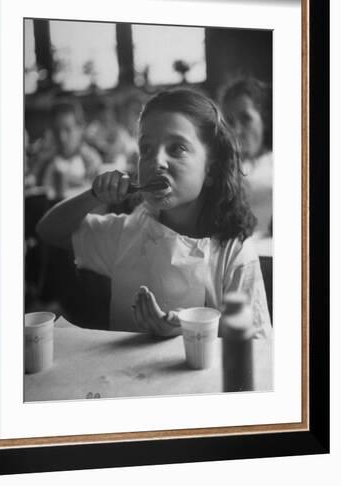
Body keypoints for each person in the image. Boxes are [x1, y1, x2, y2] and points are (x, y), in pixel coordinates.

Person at [37, 89, 272, 338]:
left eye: (177, 148)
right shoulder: (125, 234)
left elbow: (255, 346)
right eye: (146, 149)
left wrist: (193, 328)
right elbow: (48, 231)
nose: (156, 161)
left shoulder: (233, 252)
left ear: (211, 168)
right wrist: (93, 196)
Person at [220, 78, 273, 238]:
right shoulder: (220, 167)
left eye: (246, 119)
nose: (236, 131)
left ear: (264, 118)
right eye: (229, 121)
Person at [41, 99, 102, 200]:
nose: (62, 137)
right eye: (57, 130)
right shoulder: (45, 163)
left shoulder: (92, 160)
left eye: (68, 130)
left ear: (80, 129)